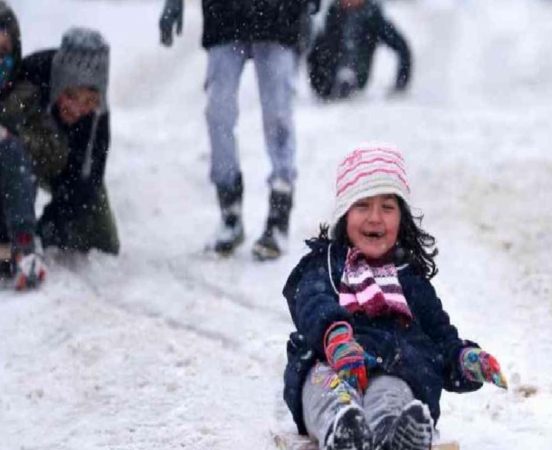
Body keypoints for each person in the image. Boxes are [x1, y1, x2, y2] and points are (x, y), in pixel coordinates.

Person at [282, 147, 507, 450]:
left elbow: (440, 337)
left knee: (391, 395)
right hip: (331, 364)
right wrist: (335, 337)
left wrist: (465, 359)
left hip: (393, 367)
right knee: (328, 392)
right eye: (362, 205)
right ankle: (343, 436)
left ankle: (395, 439)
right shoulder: (326, 264)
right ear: (344, 214)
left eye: (387, 207)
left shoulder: (409, 279)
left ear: (401, 218)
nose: (375, 218)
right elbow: (311, 301)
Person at [159, 0, 320, 260]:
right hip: (224, 15)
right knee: (217, 114)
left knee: (278, 115)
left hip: (280, 15)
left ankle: (279, 215)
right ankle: (230, 212)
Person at [19, 27, 120, 256]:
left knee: (104, 242)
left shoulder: (97, 117)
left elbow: (89, 181)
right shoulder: (28, 77)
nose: (77, 109)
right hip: (19, 161)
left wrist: (50, 226)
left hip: (64, 168)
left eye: (89, 102)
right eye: (71, 96)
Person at [0, 1, 67, 290]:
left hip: (7, 213)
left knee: (11, 151)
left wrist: (13, 138)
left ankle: (22, 247)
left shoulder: (24, 92)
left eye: (3, 54)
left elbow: (53, 152)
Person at [308, 0, 411, 101]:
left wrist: (401, 82)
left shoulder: (372, 16)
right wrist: (318, 84)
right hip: (330, 81)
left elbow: (402, 47)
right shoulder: (333, 13)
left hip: (358, 74)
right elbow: (315, 53)